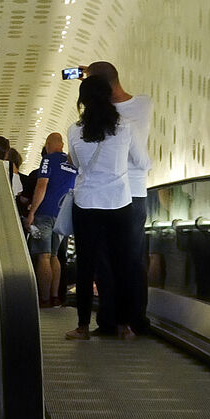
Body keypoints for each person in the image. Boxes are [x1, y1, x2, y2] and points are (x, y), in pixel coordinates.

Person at [67, 75, 148, 340]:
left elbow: (77, 163)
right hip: (119, 202)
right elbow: (142, 161)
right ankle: (124, 326)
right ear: (110, 96)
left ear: (82, 101)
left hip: (86, 202)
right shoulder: (125, 127)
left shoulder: (74, 130)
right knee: (122, 263)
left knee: (86, 265)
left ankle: (82, 327)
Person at [84, 60, 152, 328]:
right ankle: (136, 318)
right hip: (136, 190)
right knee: (133, 257)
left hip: (104, 193)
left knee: (105, 257)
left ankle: (109, 319)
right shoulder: (144, 104)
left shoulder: (100, 113)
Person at [26, 131, 77, 309]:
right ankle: (56, 296)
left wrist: (32, 210)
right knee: (55, 256)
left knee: (44, 256)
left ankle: (44, 298)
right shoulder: (73, 163)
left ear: (48, 145)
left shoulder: (48, 159)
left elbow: (42, 185)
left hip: (45, 213)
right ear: (62, 145)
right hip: (62, 215)